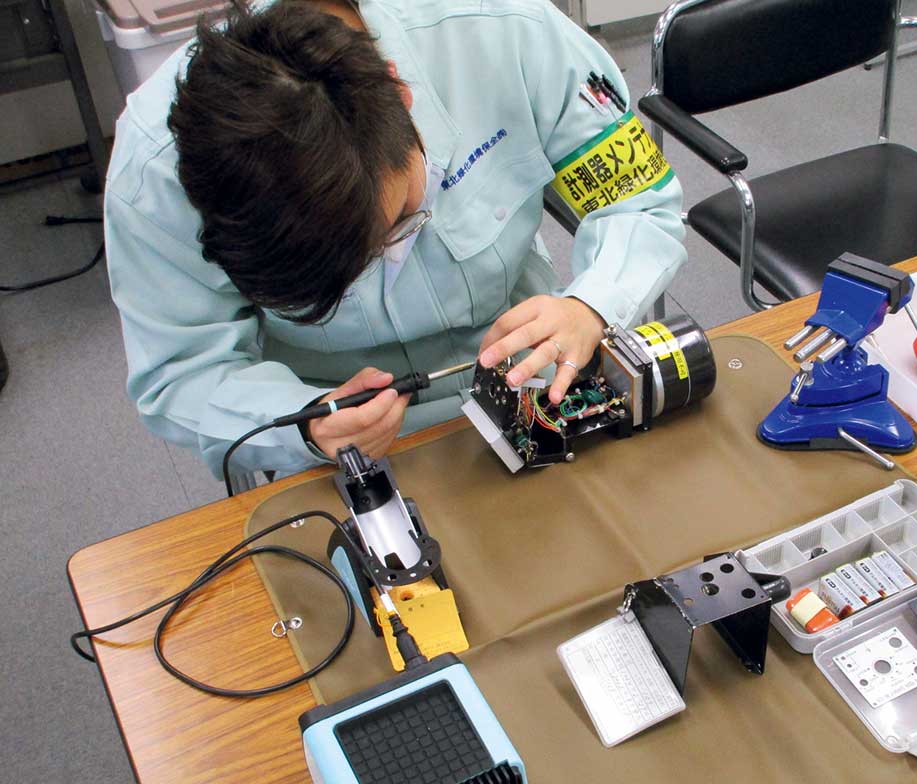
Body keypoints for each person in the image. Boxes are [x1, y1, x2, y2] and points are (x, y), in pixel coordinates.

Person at [104, 0, 685, 477]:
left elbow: (639, 198)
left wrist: (590, 305)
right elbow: (182, 372)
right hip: (335, 441)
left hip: (534, 380)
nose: (393, 260)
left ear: (402, 98)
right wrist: (302, 422)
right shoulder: (154, 173)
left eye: (402, 220)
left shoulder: (507, 32)